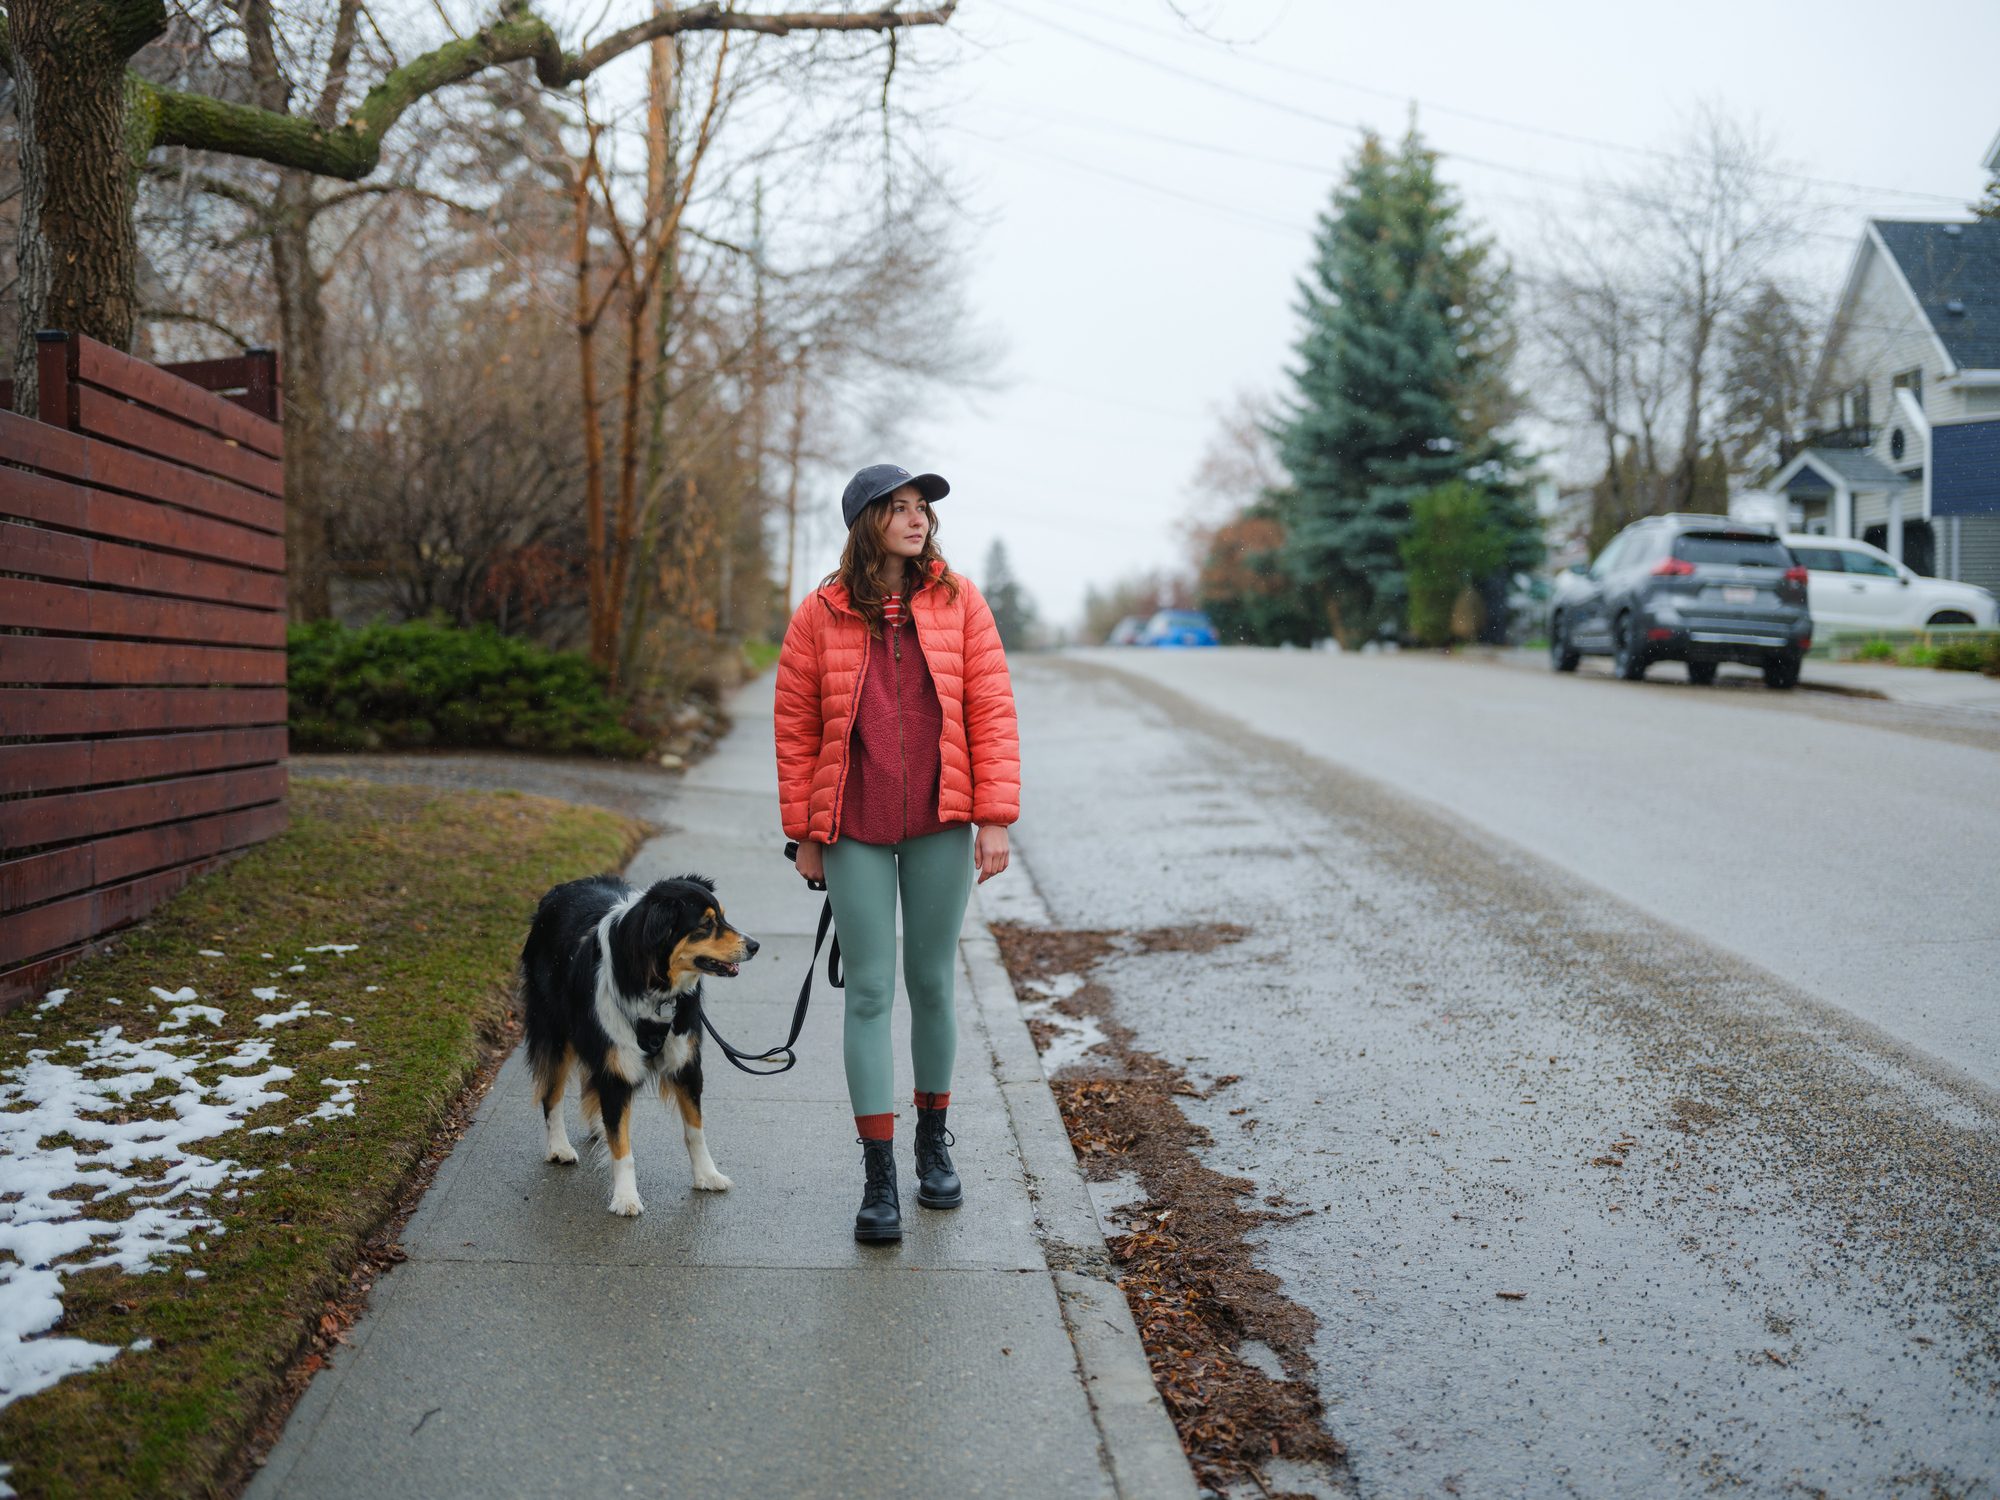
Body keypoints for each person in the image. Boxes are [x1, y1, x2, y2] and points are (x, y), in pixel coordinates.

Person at [773, 463, 1021, 1244]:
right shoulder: (819, 614)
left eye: (923, 509)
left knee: (934, 983)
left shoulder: (958, 600)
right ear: (866, 521)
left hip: (943, 820)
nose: (918, 521)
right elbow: (795, 727)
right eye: (901, 508)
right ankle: (878, 1175)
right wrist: (806, 833)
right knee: (871, 992)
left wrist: (995, 818)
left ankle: (931, 1147)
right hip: (853, 823)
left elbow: (991, 708)